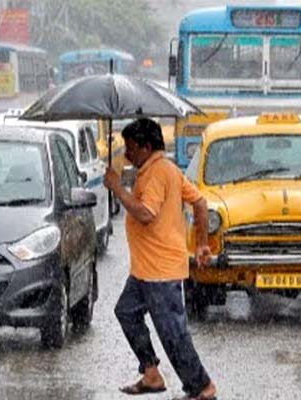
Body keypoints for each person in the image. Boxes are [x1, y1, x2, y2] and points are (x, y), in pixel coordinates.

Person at [104, 118, 217, 400]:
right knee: (127, 312)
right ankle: (151, 373)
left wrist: (118, 189)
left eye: (131, 148)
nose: (127, 154)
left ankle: (202, 387)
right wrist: (201, 244)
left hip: (160, 271)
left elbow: (145, 213)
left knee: (172, 332)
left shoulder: (157, 173)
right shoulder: (166, 169)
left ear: (146, 147)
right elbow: (200, 203)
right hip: (145, 270)